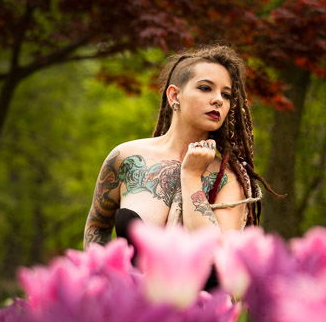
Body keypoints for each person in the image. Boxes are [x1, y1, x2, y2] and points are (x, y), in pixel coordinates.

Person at [83, 44, 271, 249]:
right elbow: (97, 229)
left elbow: (216, 254)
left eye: (226, 95)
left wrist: (191, 176)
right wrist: (104, 276)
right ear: (174, 96)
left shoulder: (228, 177)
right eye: (205, 88)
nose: (218, 100)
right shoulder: (126, 158)